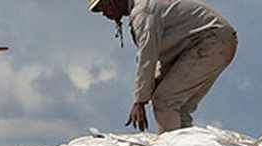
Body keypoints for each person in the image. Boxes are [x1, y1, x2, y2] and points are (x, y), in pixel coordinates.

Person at [90, 0, 238, 134]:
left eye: (104, 7)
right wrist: (153, 83)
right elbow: (165, 53)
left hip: (211, 41)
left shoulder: (143, 12)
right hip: (213, 41)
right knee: (179, 107)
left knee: (165, 100)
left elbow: (148, 56)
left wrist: (140, 101)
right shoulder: (144, 7)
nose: (104, 14)